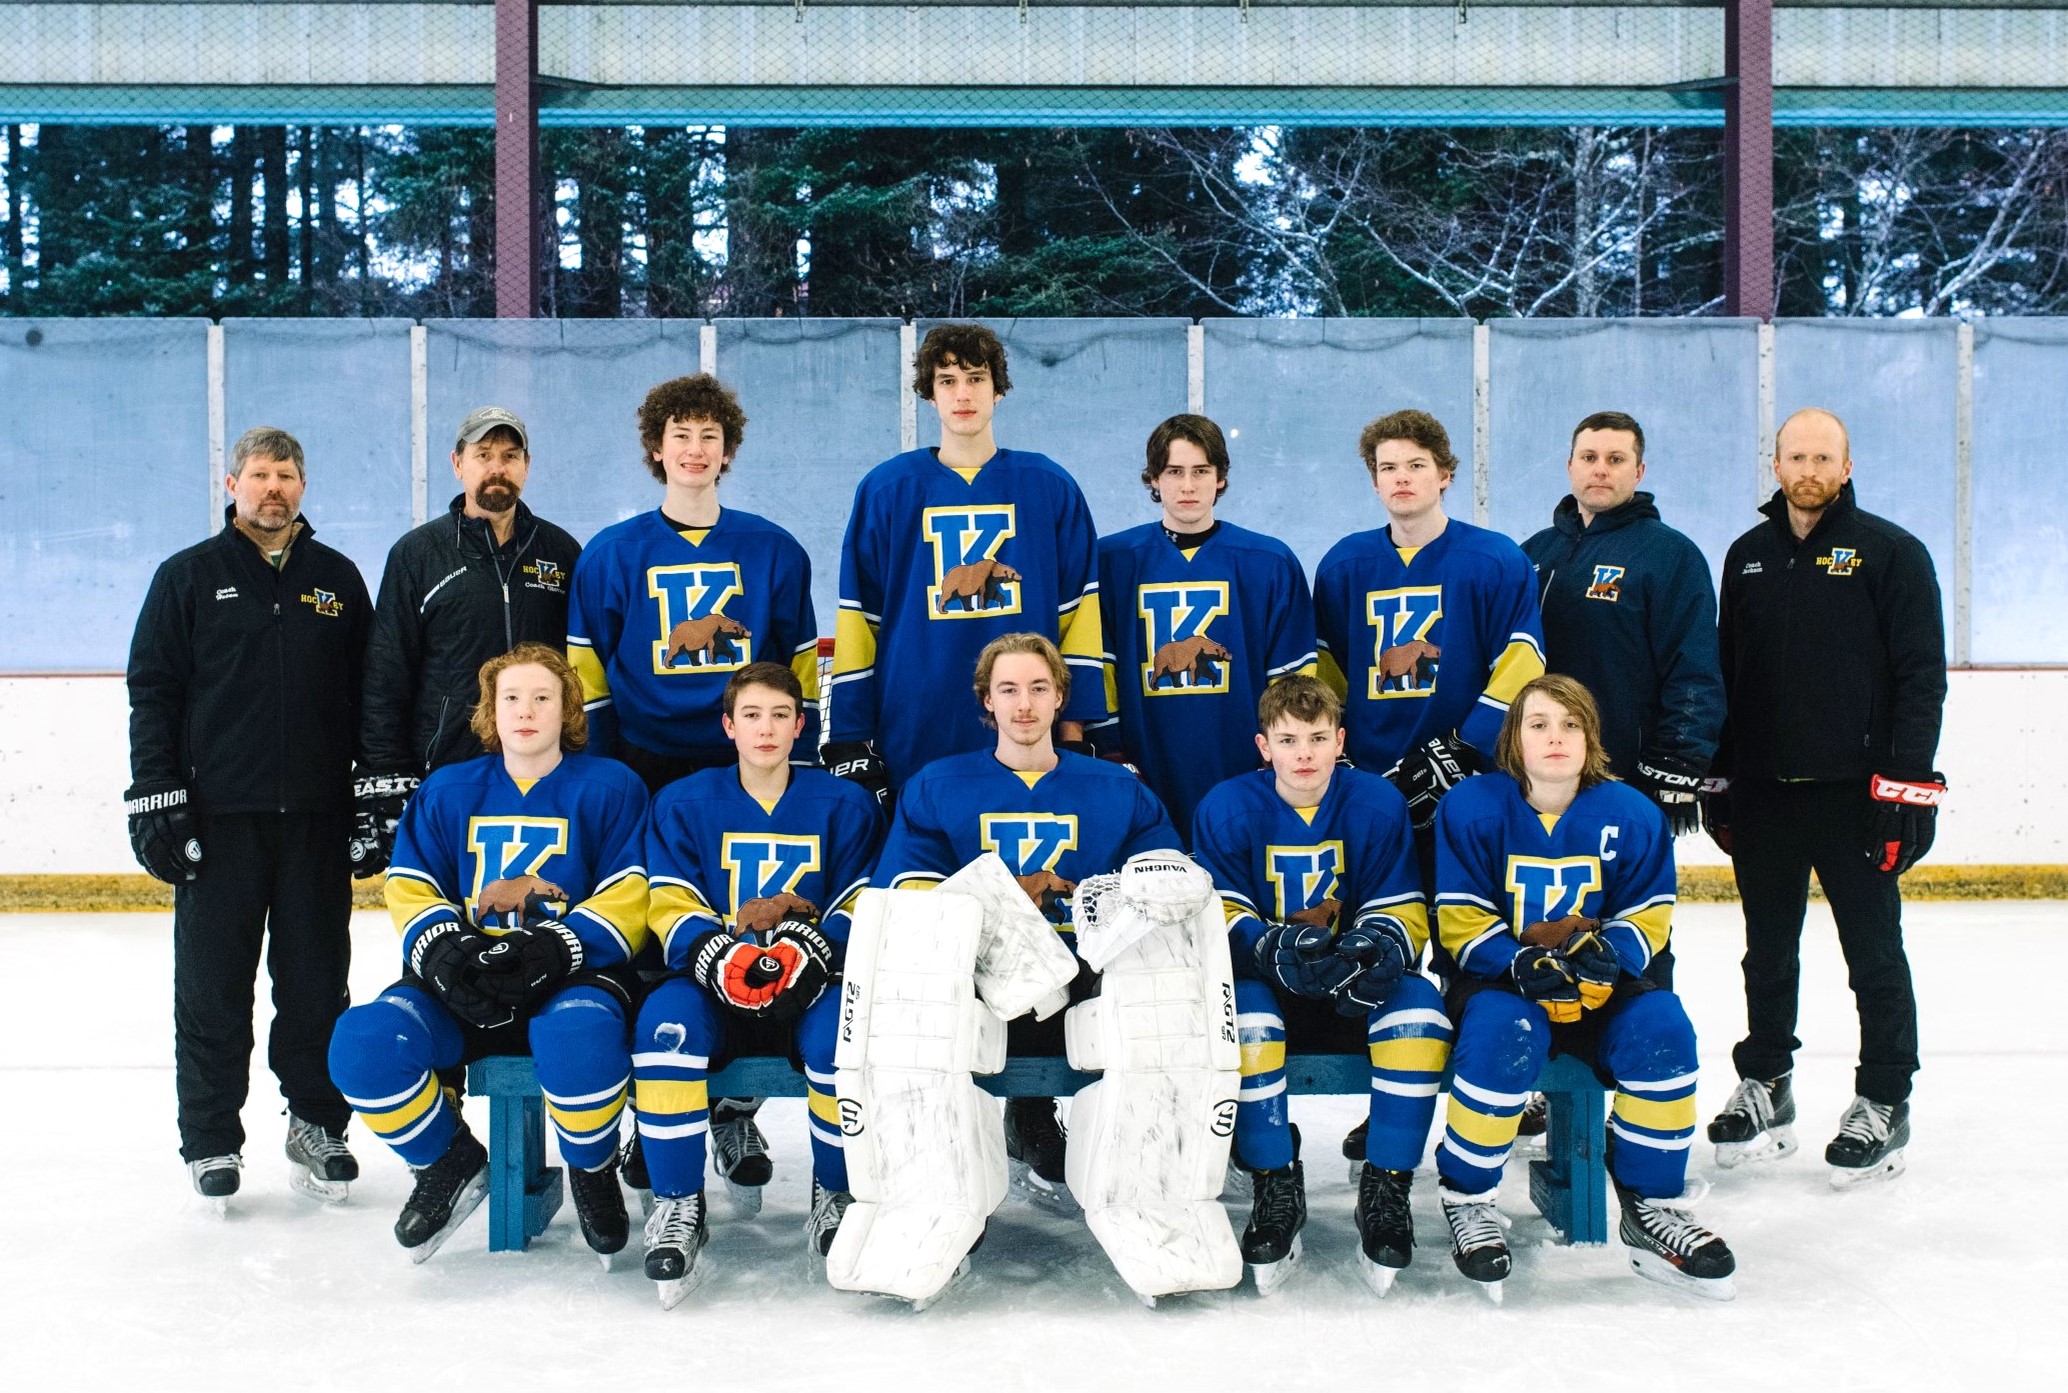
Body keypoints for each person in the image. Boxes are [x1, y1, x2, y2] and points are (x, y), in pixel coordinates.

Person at [328, 644, 650, 1261]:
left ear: (568, 709)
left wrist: (556, 948)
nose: (524, 711)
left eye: (542, 698)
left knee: (579, 1038)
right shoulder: (448, 789)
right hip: (465, 984)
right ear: (490, 710)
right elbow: (410, 884)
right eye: (510, 698)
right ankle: (450, 1160)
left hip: (569, 981)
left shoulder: (612, 787)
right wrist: (446, 950)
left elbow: (631, 891)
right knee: (363, 1043)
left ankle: (589, 1168)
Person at [125, 425, 370, 1209]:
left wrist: (372, 794)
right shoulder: (187, 577)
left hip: (316, 822)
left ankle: (317, 1123)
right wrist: (157, 797)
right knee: (212, 988)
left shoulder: (337, 579)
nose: (274, 488)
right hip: (219, 823)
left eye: (287, 475)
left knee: (315, 986)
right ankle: (210, 1140)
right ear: (231, 483)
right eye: (259, 474)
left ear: (304, 486)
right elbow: (153, 693)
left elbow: (371, 695)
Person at [1703, 408, 1947, 1188]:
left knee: (1873, 954)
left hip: (1856, 797)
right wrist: (1722, 777)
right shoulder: (1746, 556)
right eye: (1795, 455)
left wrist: (1906, 792)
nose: (1808, 468)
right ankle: (1766, 1082)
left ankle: (1883, 1098)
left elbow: (1921, 679)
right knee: (1766, 951)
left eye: (1823, 456)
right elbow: (1725, 676)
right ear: (1775, 463)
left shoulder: (1892, 553)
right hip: (1766, 793)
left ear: (1846, 466)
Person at [1433, 674, 1736, 1300]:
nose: (1556, 738)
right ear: (1514, 737)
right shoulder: (1471, 806)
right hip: (1502, 982)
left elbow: (1650, 913)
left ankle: (1653, 1205)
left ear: (1591, 736)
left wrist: (1608, 957)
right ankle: (1470, 1197)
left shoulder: (1632, 812)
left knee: (1664, 1032)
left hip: (1601, 984)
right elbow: (1459, 914)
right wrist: (1517, 962)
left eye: (1571, 724)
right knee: (1501, 1034)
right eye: (1539, 724)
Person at [873, 632, 1181, 1209]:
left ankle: (1139, 1176)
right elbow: (906, 892)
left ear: (1060, 697)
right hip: (983, 986)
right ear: (985, 700)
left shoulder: (1118, 788)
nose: (1024, 705)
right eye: (1008, 689)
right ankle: (946, 1185)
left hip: (1088, 981)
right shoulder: (937, 785)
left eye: (1039, 688)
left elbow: (1164, 880)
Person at [630, 662, 884, 1299]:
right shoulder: (683, 801)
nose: (766, 729)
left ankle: (834, 1190)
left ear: (801, 725)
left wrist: (819, 947)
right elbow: (669, 900)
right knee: (666, 1032)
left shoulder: (845, 803)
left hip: (812, 980)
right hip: (708, 977)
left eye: (780, 715)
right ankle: (678, 1203)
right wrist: (714, 950)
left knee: (840, 1043)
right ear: (727, 726)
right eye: (751, 715)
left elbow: (862, 898)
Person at [1189, 676, 1450, 1296]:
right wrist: (1266, 948)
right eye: (1287, 739)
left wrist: (1380, 949)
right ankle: (1274, 1178)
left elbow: (1401, 903)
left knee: (1421, 1015)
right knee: (1240, 1022)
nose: (1303, 753)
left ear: (1340, 741)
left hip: (1352, 985)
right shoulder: (1224, 806)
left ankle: (1386, 1184)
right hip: (1268, 986)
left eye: (1316, 738)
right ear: (1263, 746)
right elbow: (1217, 913)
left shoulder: (1377, 802)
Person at [826, 324, 1107, 804]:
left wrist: (1075, 727)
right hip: (914, 724)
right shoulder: (886, 490)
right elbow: (860, 618)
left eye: (976, 378)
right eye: (947, 381)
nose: (963, 394)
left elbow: (1079, 615)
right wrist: (851, 737)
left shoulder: (1049, 486)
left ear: (998, 390)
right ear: (929, 396)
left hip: (1028, 728)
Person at [353, 406, 582, 877]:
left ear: (526, 465)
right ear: (458, 464)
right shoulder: (418, 554)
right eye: (483, 455)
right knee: (444, 919)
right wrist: (385, 775)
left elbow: (581, 665)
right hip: (447, 773)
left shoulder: (560, 553)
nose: (497, 468)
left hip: (542, 772)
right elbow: (386, 672)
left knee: (536, 912)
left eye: (509, 455)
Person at [567, 374, 820, 794]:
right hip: (642, 755)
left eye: (709, 435)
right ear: (656, 447)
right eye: (681, 434)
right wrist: (597, 760)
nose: (695, 449)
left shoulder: (775, 549)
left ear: (728, 451)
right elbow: (588, 667)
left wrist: (803, 753)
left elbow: (800, 661)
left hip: (746, 753)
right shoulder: (609, 554)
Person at [1314, 408, 1545, 847]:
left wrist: (1463, 748)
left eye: (1416, 465)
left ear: (1445, 475)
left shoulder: (1495, 560)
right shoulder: (1342, 566)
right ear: (1374, 481)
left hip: (1473, 778)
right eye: (1388, 468)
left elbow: (1523, 663)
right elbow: (1327, 674)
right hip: (1369, 778)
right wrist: (1334, 754)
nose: (1402, 478)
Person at [1093, 413, 1317, 840]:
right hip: (1146, 757)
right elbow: (1097, 667)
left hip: (1241, 763)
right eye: (1174, 472)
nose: (1188, 485)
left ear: (1220, 478)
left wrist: (1279, 755)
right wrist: (1112, 750)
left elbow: (1293, 683)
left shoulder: (1269, 562)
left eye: (1201, 471)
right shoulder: (1112, 562)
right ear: (1154, 480)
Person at [1520, 411, 1723, 842]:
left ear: (1639, 470)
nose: (1600, 469)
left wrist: (1678, 763)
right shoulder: (1535, 553)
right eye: (1589, 457)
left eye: (1616, 459)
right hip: (1538, 772)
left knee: (1629, 904)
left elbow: (1695, 668)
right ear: (1570, 466)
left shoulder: (1670, 555)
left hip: (1627, 773)